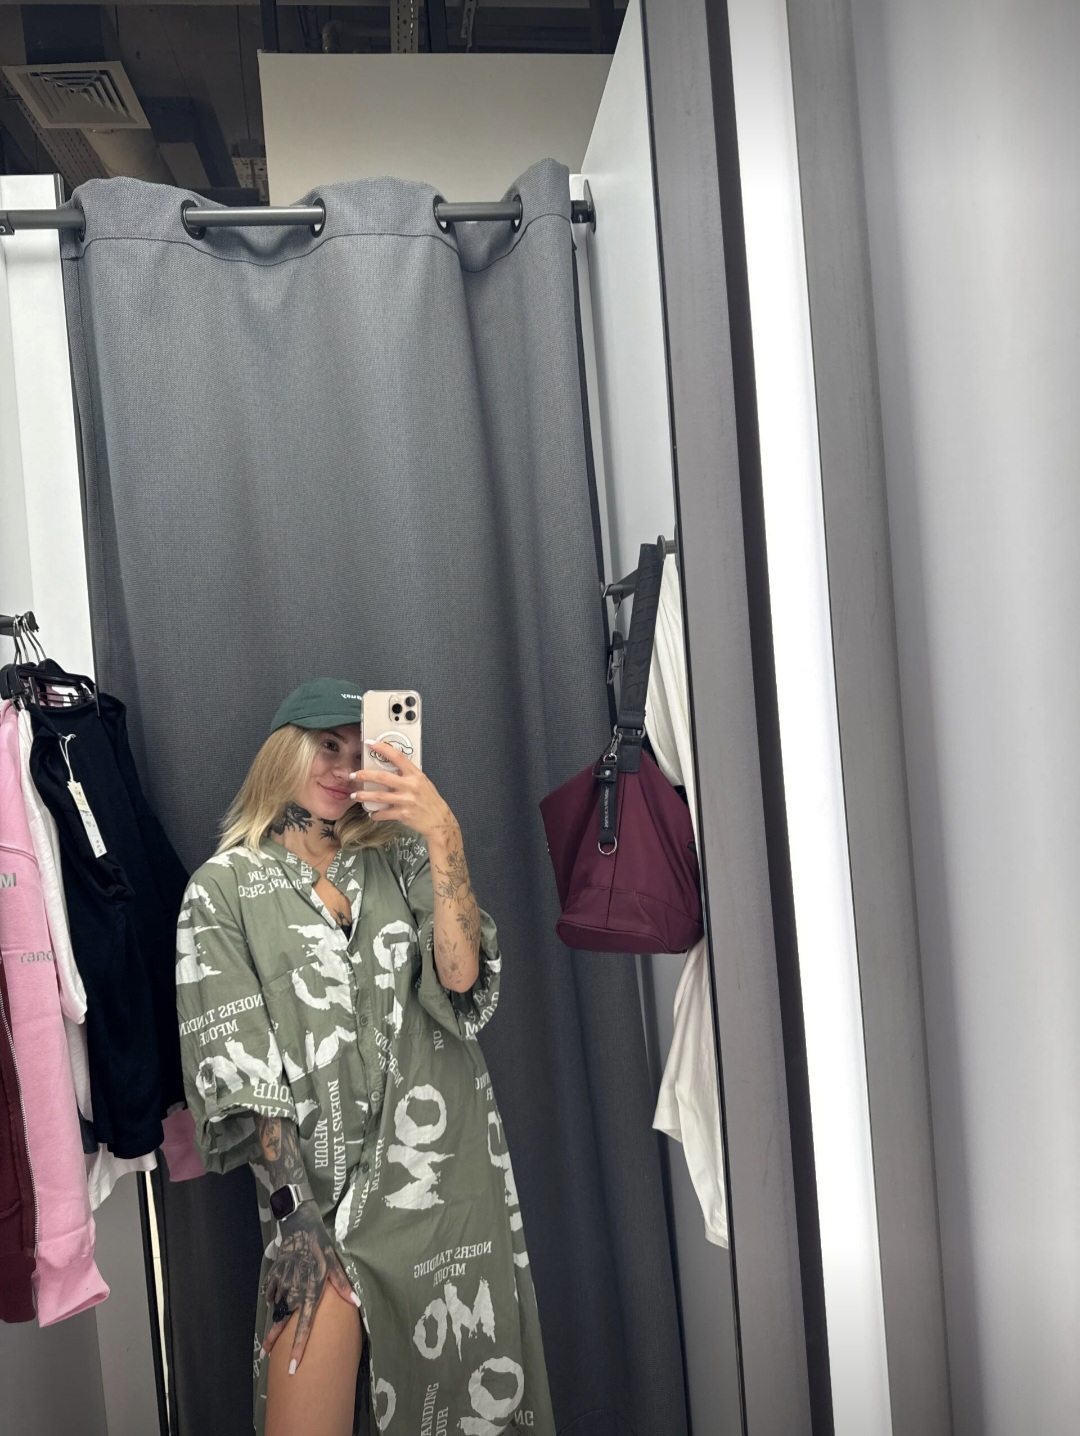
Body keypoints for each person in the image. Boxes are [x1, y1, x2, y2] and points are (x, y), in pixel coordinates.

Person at [176, 680, 554, 1436]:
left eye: (361, 751)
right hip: (317, 1200)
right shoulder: (222, 891)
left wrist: (442, 833)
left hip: (440, 1184)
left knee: (466, 1411)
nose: (344, 768)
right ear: (284, 749)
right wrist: (296, 1217)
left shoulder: (401, 857)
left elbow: (460, 979)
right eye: (327, 745)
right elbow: (241, 1068)